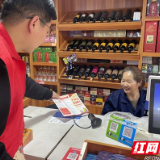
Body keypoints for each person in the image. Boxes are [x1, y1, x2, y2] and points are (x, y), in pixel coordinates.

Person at [0, 0, 59, 159]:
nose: (48, 35)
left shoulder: (8, 48)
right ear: (34, 23)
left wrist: (51, 95)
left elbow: (22, 82)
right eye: (48, 30)